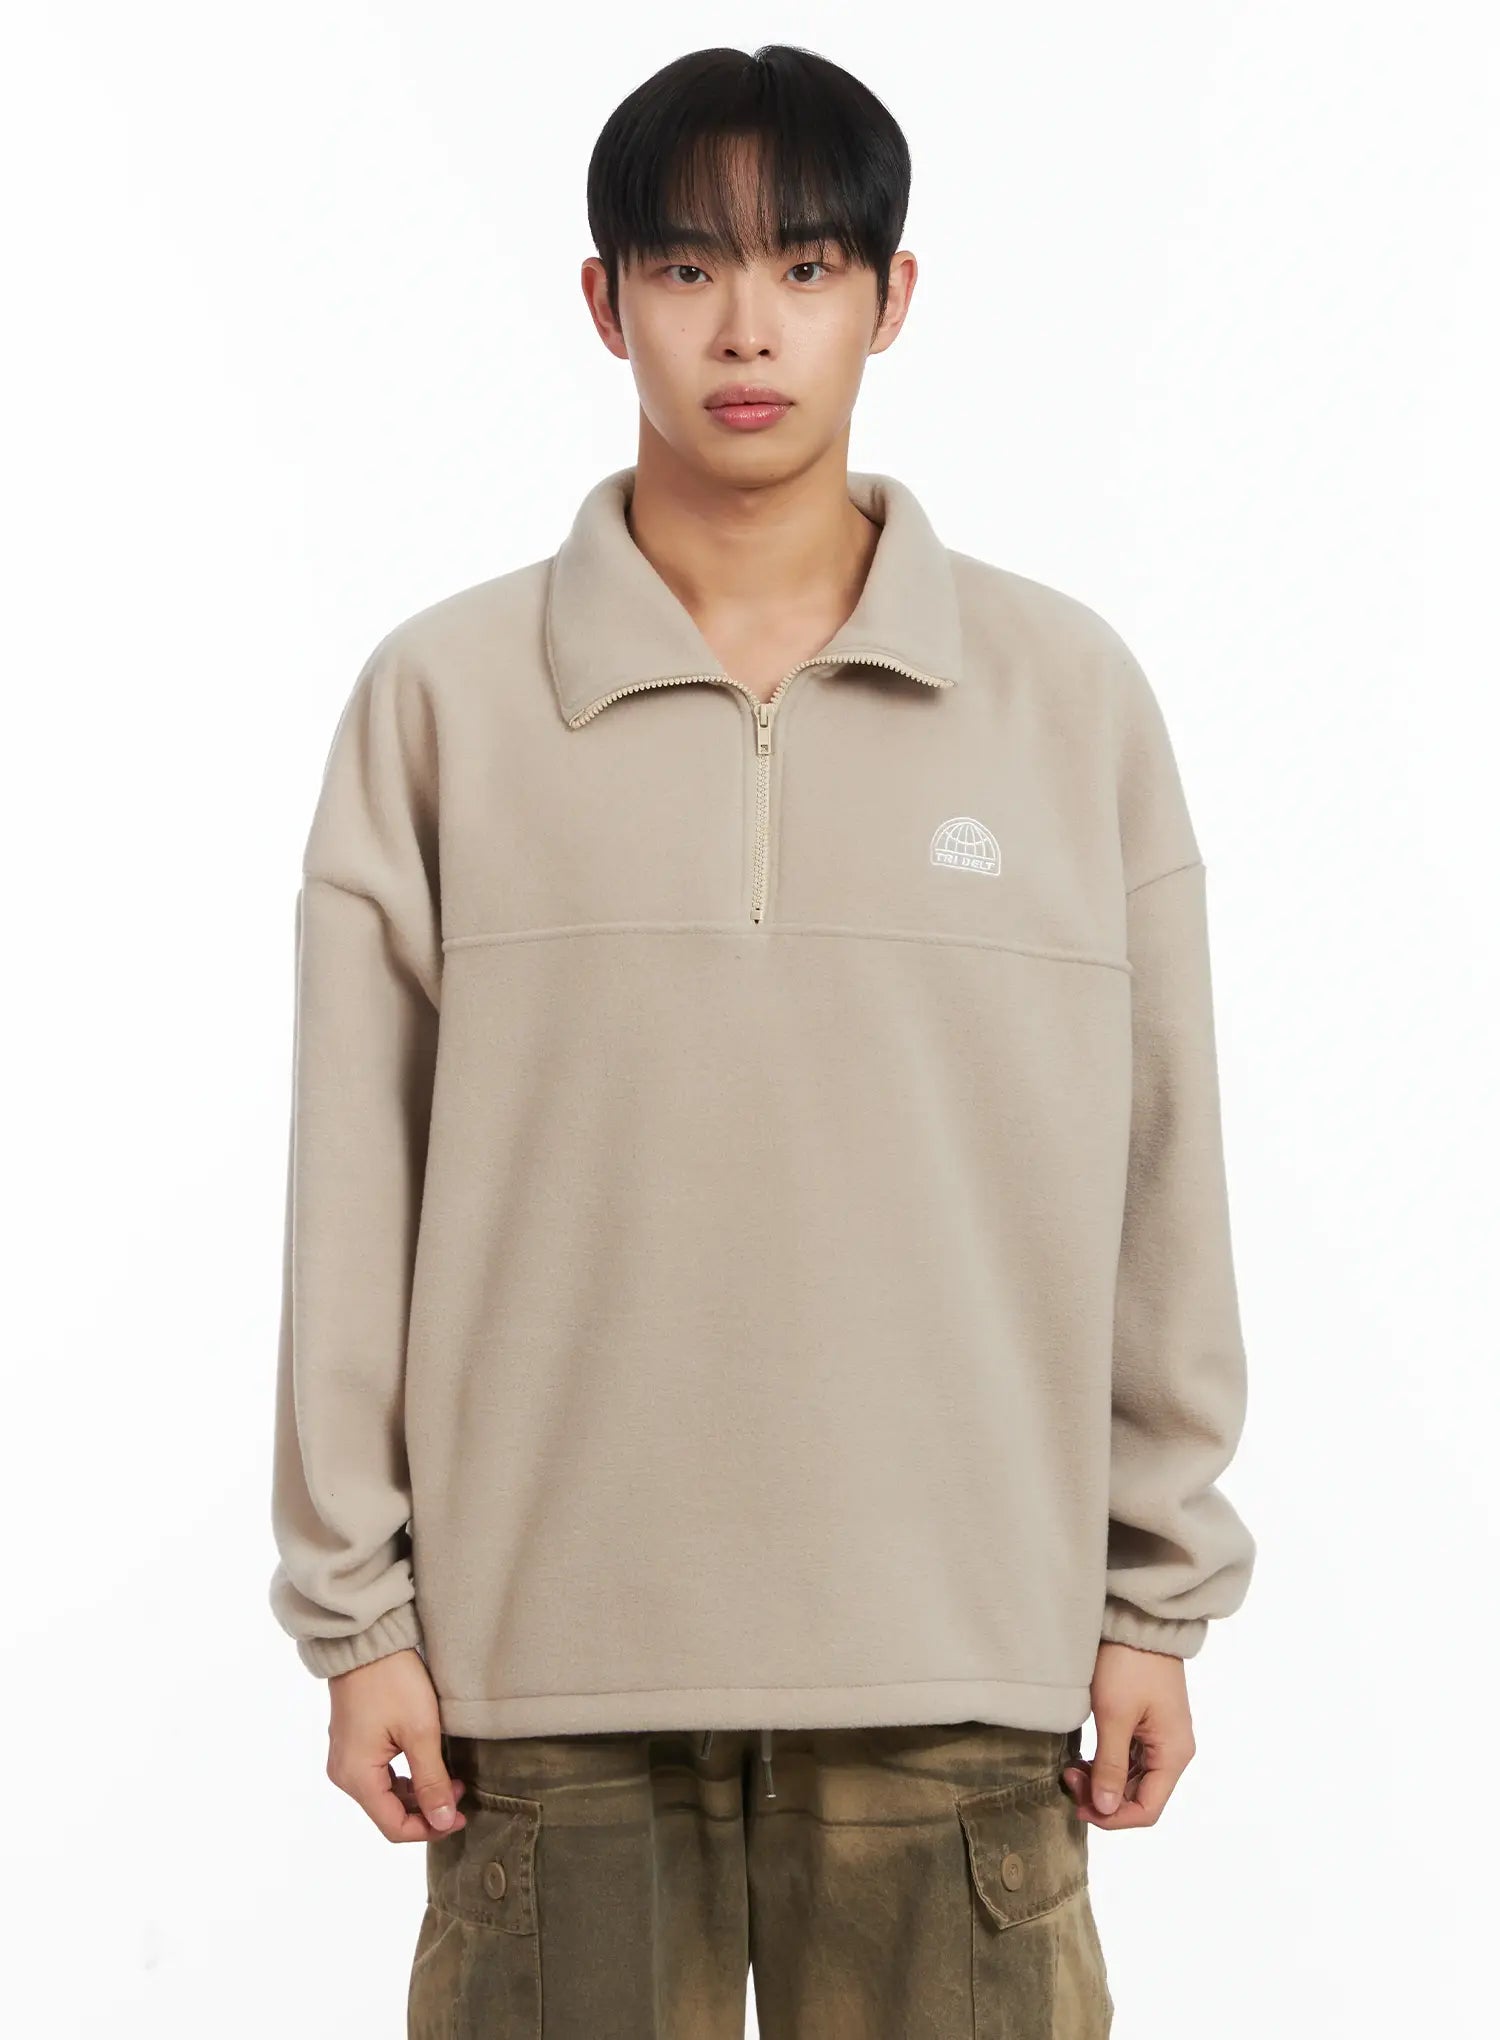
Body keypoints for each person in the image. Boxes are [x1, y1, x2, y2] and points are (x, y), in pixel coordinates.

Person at [268, 42, 1255, 2039]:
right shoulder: (445, 704)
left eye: (806, 267)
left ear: (893, 299)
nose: (745, 327)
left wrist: (1155, 1595)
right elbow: (356, 1183)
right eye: (688, 266)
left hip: (959, 1675)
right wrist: (359, 1621)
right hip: (542, 1687)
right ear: (603, 298)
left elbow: (1162, 1173)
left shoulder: (1065, 703)